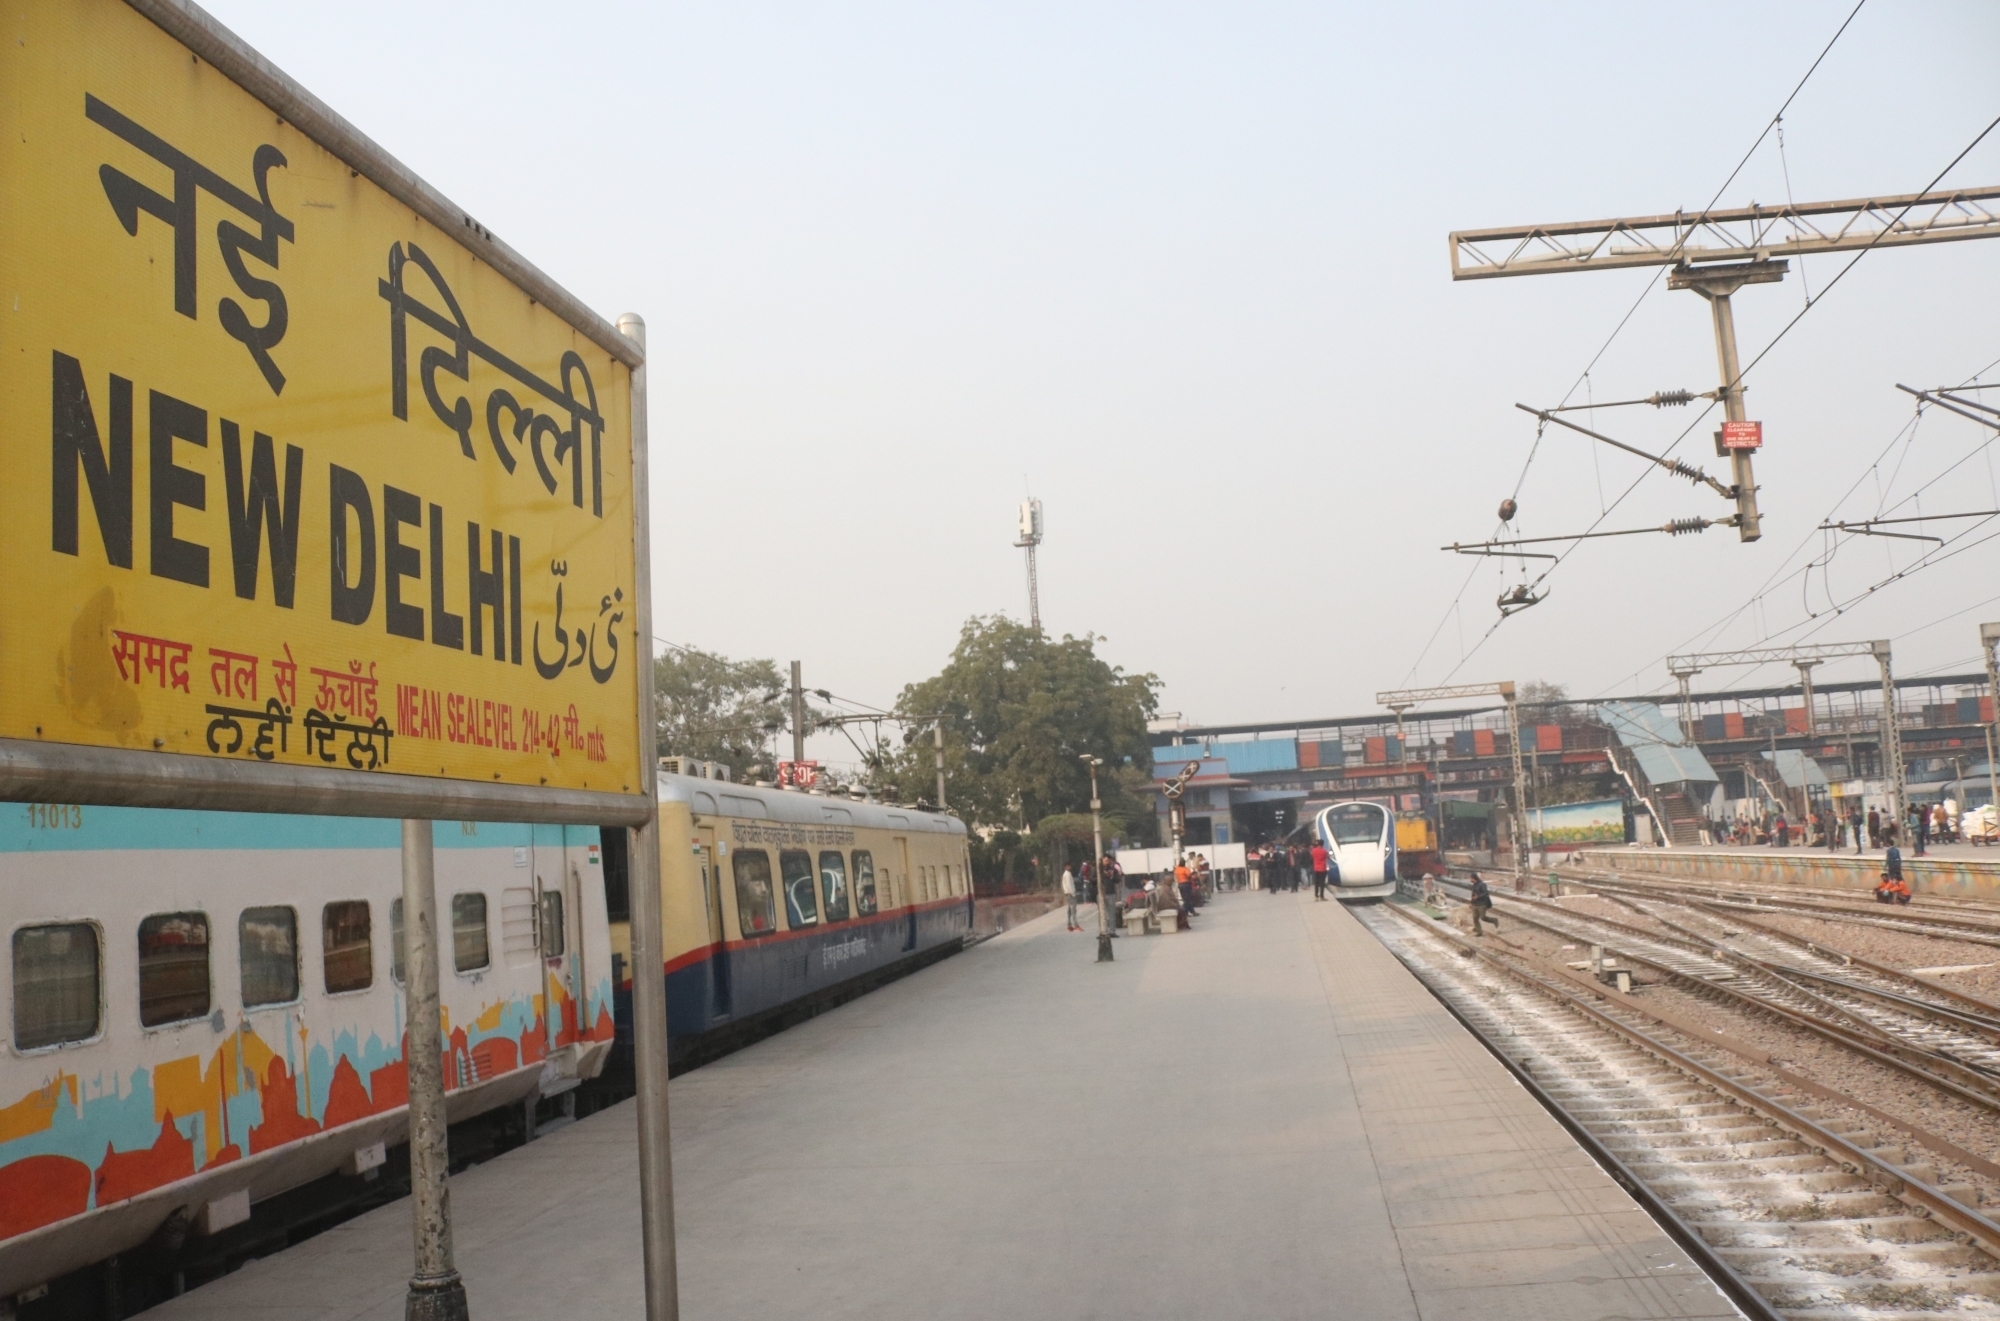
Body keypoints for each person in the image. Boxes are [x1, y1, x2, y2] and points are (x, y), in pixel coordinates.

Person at [1467, 871, 1497, 937]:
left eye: (1470, 878)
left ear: (1474, 878)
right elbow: (1473, 895)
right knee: (1475, 918)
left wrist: (1478, 896)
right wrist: (1471, 903)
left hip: (1482, 904)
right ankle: (1479, 932)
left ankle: (1494, 920)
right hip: (1475, 904)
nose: (1470, 879)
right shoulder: (1474, 885)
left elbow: (1486, 893)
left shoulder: (1482, 884)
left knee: (1483, 917)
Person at [1061, 866, 1079, 931]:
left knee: (1069, 910)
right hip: (1071, 894)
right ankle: (1075, 925)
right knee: (1073, 910)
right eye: (1068, 866)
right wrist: (1073, 893)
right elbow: (1069, 885)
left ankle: (1069, 924)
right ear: (1066, 866)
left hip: (1067, 893)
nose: (1070, 867)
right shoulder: (1068, 874)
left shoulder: (1065, 874)